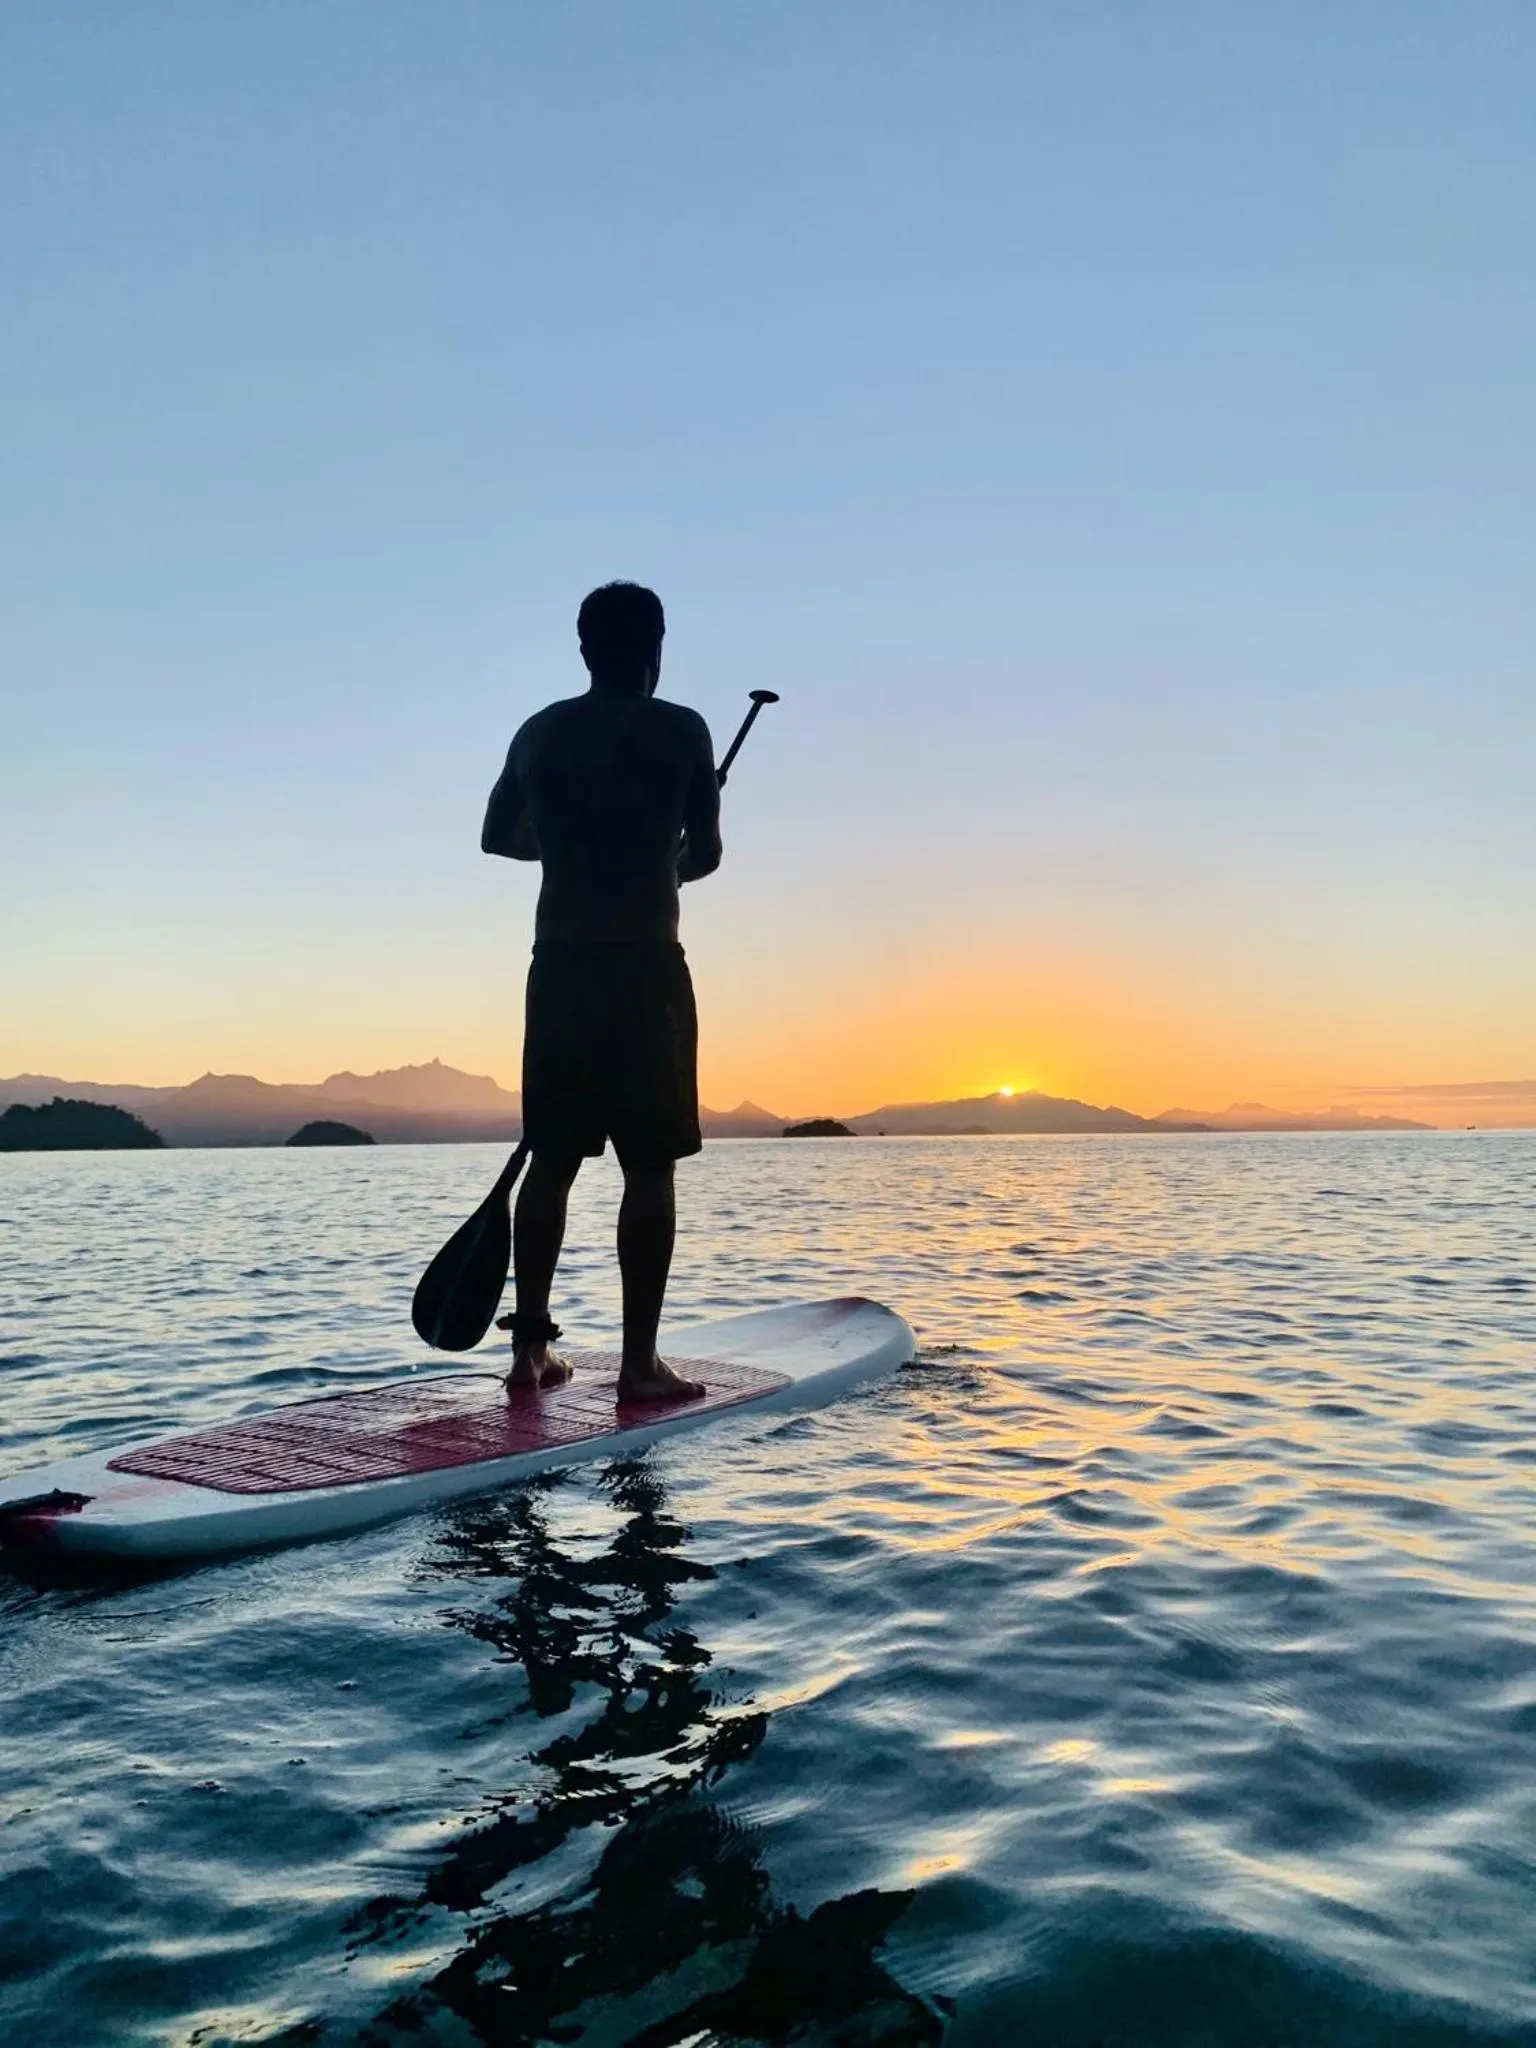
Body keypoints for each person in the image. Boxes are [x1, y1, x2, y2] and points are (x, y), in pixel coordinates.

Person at [481, 582, 721, 1402]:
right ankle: (638, 1366)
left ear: (584, 649)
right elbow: (709, 854)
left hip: (560, 970)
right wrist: (660, 858)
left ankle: (528, 1357)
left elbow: (494, 836)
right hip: (646, 970)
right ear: (656, 646)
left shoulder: (538, 735)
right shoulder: (682, 730)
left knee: (550, 1165)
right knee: (649, 1168)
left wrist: (566, 847)